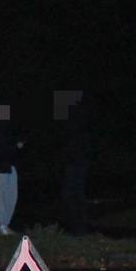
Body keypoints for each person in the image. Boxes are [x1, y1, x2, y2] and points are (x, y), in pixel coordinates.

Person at [55, 89, 91, 234]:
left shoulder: (73, 121)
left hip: (74, 160)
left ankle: (77, 226)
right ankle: (77, 226)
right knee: (75, 194)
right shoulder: (77, 121)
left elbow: (69, 141)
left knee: (71, 194)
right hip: (76, 159)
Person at [0, 103, 22, 235]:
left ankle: (5, 224)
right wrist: (15, 147)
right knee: (1, 196)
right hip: (0, 167)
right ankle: (0, 225)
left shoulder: (6, 130)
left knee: (11, 195)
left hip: (9, 166)